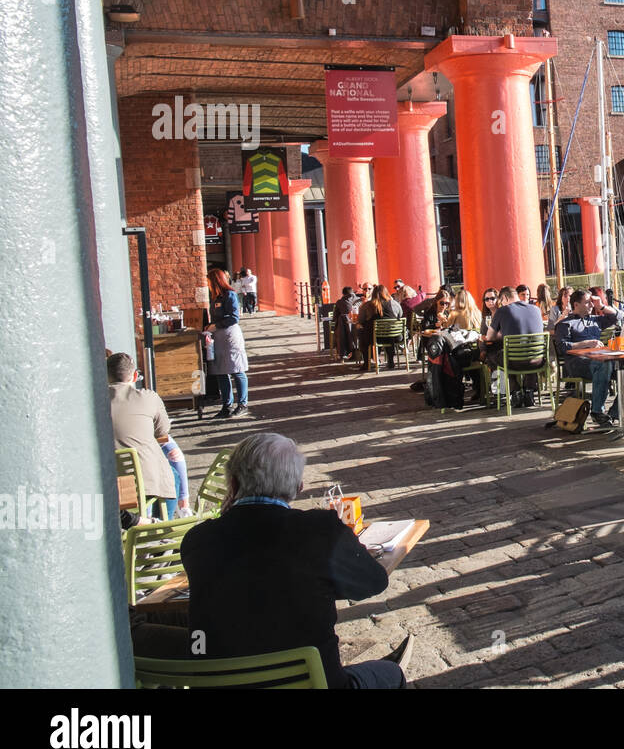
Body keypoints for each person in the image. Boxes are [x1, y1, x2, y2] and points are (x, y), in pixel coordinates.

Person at [180, 433, 413, 689]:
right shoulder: (319, 531)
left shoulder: (197, 540)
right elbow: (373, 583)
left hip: (223, 683)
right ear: (298, 487)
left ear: (232, 484)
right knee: (391, 672)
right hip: (313, 683)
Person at [107, 353, 176, 515]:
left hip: (109, 481)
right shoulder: (148, 397)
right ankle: (167, 524)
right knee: (173, 474)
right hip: (146, 482)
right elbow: (162, 430)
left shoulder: (95, 401)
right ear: (135, 376)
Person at [553, 289, 623, 427]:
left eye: (591, 302)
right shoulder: (565, 324)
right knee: (604, 364)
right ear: (576, 304)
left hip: (598, 360)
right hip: (577, 364)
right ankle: (597, 411)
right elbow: (562, 346)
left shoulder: (595, 320)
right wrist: (586, 343)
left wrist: (601, 306)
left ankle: (615, 413)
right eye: (587, 302)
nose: (591, 305)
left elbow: (619, 316)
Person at [483, 286, 545, 405]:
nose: (501, 304)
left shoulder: (503, 311)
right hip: (538, 360)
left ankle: (514, 390)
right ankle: (529, 389)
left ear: (505, 298)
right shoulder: (536, 309)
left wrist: (503, 335)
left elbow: (489, 337)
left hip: (514, 361)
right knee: (528, 351)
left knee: (493, 355)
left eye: (501, 301)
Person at [207, 266, 250, 417]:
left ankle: (243, 404)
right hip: (218, 338)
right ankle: (227, 405)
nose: (208, 285)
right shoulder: (215, 297)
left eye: (209, 282)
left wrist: (216, 325)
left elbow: (234, 317)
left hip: (230, 337)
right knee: (221, 372)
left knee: (237, 370)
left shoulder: (229, 295)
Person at [357, 284, 402, 371]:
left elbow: (361, 320)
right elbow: (400, 315)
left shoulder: (367, 305)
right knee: (389, 333)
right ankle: (391, 361)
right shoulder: (394, 304)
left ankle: (367, 363)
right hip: (393, 336)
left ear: (373, 294)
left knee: (361, 334)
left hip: (373, 338)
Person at [332, 286, 357, 361]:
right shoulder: (358, 300)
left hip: (342, 331)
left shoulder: (339, 302)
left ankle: (342, 353)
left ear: (343, 294)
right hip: (357, 327)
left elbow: (335, 316)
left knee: (338, 330)